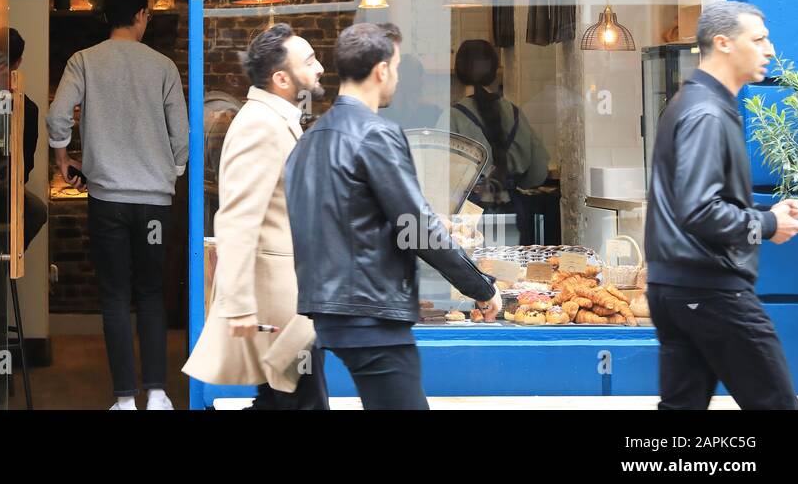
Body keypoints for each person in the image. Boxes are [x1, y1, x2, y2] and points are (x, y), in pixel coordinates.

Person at [286, 23, 501, 409]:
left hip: (326, 314)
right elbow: (416, 227)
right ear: (381, 70)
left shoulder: (310, 138)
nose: (397, 77)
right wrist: (482, 287)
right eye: (396, 67)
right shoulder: (376, 134)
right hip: (372, 316)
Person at [646, 0, 798, 410]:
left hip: (677, 287)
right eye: (758, 39)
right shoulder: (707, 113)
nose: (770, 49)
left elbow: (698, 200)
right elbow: (698, 211)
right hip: (712, 290)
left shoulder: (693, 103)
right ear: (723, 44)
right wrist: (767, 224)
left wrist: (767, 215)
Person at [46, 0, 190, 410]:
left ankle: (125, 399)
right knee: (150, 293)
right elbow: (180, 135)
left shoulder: (84, 61)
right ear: (142, 15)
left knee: (113, 295)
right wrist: (172, 171)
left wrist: (62, 161)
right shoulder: (162, 66)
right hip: (153, 205)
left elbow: (58, 115)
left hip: (107, 200)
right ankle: (159, 393)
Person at [183, 23, 330, 410]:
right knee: (303, 403)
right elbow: (237, 221)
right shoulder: (260, 127)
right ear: (282, 78)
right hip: (278, 306)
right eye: (310, 60)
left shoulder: (275, 121)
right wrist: (240, 305)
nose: (320, 68)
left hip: (289, 304)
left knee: (285, 403)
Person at [449, 40, 552, 244]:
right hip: (513, 212)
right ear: (494, 70)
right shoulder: (514, 113)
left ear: (459, 71)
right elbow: (538, 172)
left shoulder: (452, 116)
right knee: (511, 273)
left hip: (469, 218)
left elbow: (441, 179)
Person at [0, 27, 48, 249]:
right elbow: (26, 164)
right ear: (19, 62)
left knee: (34, 210)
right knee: (36, 211)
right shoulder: (27, 107)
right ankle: (3, 258)